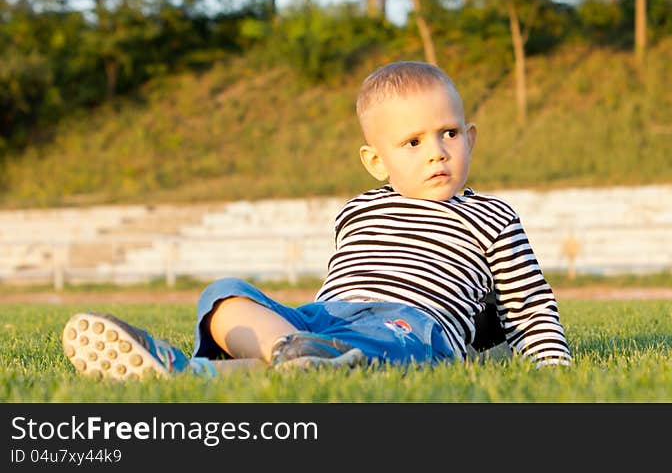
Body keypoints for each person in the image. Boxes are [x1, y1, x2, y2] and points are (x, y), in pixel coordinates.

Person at [62, 61, 572, 380]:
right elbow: (344, 280)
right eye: (413, 142)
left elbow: (528, 306)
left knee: (376, 347)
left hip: (412, 326)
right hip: (325, 318)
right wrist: (304, 329)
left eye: (450, 134)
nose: (437, 153)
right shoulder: (358, 210)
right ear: (376, 161)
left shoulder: (491, 216)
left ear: (471, 137)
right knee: (223, 294)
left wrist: (551, 368)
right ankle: (277, 356)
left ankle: (212, 370)